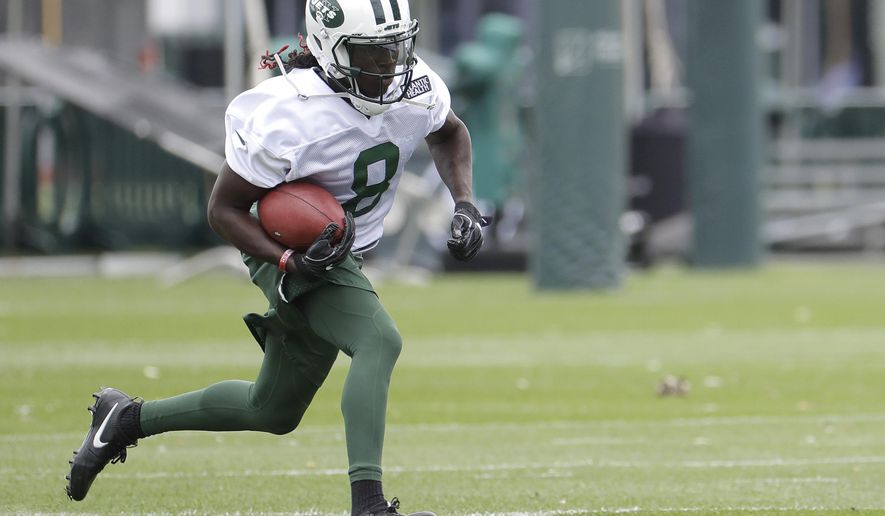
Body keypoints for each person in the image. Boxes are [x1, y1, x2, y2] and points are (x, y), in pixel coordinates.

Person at [65, 1, 488, 515]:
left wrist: (464, 203)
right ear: (333, 51)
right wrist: (286, 260)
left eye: (396, 49)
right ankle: (369, 506)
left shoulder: (414, 85)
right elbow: (223, 210)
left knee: (272, 408)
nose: (391, 67)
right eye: (373, 55)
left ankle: (126, 419)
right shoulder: (288, 114)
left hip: (340, 249)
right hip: (285, 245)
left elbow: (450, 133)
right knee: (379, 340)